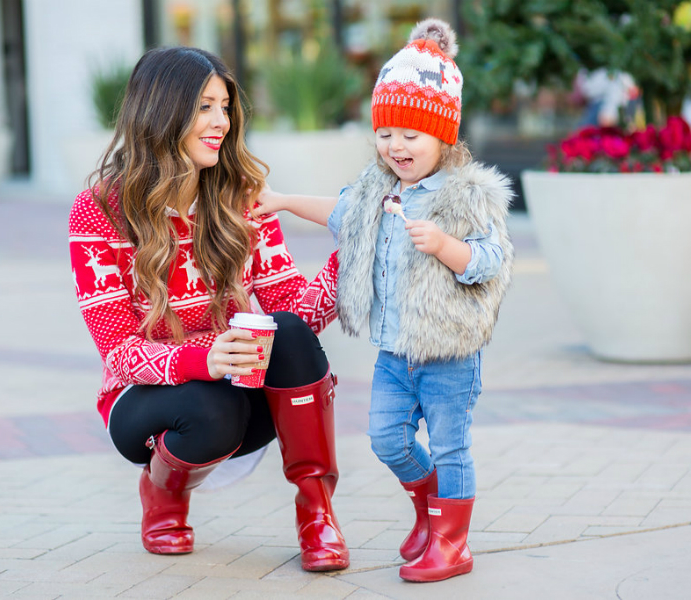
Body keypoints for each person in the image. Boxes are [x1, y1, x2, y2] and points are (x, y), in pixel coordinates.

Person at [68, 46, 349, 572]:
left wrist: (353, 254)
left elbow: (296, 315)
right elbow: (120, 353)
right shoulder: (100, 210)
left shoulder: (241, 196)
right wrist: (208, 358)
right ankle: (163, 494)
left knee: (286, 332)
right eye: (204, 107)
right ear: (162, 111)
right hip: (147, 404)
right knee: (209, 407)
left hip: (239, 388)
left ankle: (318, 515)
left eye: (225, 107)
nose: (221, 122)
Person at [253, 19, 514, 582]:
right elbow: (341, 214)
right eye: (385, 133)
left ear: (444, 134)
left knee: (449, 446)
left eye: (410, 135)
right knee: (385, 438)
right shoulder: (379, 189)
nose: (395, 146)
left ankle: (452, 540)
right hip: (396, 351)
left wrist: (445, 246)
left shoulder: (466, 195)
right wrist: (281, 201)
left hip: (447, 353)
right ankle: (428, 510)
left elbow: (491, 261)